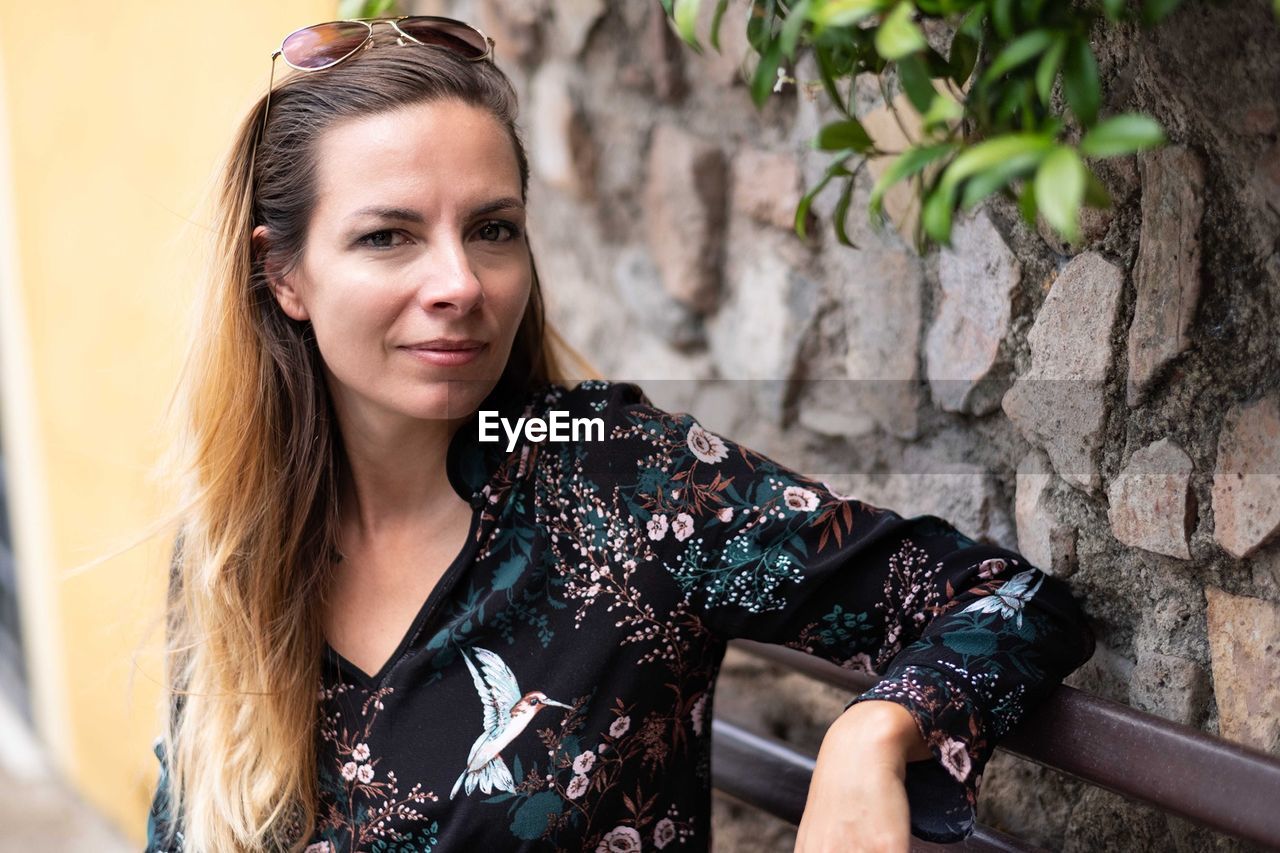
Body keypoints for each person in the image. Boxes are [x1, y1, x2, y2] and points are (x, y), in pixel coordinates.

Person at [143, 14, 1096, 853]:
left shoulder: (621, 482)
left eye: (492, 229)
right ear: (285, 277)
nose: (461, 284)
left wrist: (874, 732)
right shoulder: (240, 542)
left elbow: (1004, 598)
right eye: (387, 236)